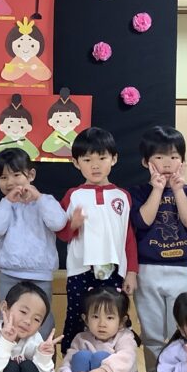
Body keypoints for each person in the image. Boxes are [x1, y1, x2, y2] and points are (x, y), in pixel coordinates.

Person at [129, 126, 187, 372]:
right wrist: (157, 190)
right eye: (159, 157)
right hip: (148, 270)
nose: (167, 163)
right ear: (146, 162)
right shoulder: (137, 192)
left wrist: (178, 190)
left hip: (180, 270)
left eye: (174, 157)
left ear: (183, 161)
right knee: (152, 332)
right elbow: (143, 221)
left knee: (179, 330)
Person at [57, 127, 138, 353]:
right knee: (77, 316)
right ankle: (71, 364)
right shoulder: (73, 195)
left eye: (102, 158)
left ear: (114, 159)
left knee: (113, 316)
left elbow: (128, 237)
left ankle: (115, 362)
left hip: (114, 270)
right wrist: (72, 225)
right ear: (76, 163)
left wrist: (131, 271)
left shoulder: (122, 196)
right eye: (87, 159)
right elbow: (61, 234)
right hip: (81, 270)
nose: (95, 165)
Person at [0, 147, 67, 339]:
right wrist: (7, 202)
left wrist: (39, 198)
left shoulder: (45, 201)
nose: (10, 182)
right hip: (9, 274)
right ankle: (7, 353)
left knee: (41, 318)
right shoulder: (4, 205)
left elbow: (58, 222)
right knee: (7, 317)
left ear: (31, 175)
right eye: (3, 177)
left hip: (40, 275)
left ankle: (42, 354)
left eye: (16, 175)